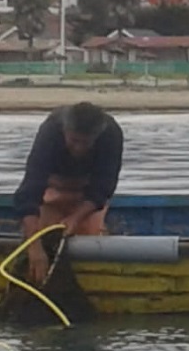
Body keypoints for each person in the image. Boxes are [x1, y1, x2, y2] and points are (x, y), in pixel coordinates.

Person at [13, 102, 124, 283]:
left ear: (96, 137)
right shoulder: (50, 132)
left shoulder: (111, 134)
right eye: (74, 141)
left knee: (88, 239)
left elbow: (103, 188)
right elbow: (29, 192)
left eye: (85, 143)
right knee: (44, 239)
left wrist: (75, 218)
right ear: (64, 131)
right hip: (52, 190)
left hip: (86, 195)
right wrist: (34, 247)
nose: (79, 148)